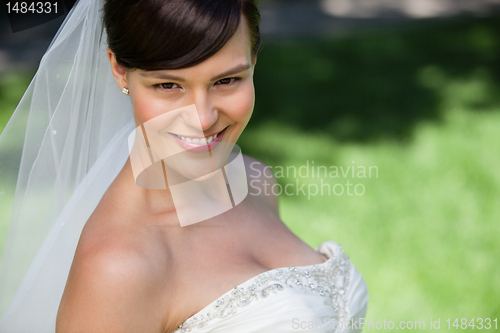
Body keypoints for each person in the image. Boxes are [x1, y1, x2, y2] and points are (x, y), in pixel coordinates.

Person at [0, 0, 368, 332]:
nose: (203, 118)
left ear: (253, 60)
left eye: (227, 80)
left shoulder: (255, 181)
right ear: (119, 71)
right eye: (168, 86)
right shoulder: (118, 268)